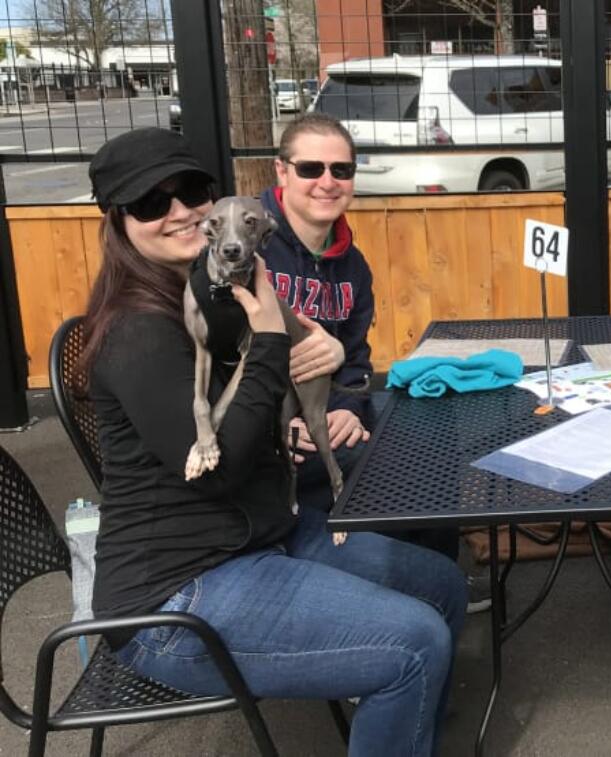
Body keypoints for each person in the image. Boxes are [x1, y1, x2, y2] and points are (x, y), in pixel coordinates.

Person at [81, 127, 468, 755]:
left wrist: (326, 354)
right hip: (179, 594)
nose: (179, 211)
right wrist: (271, 343)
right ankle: (401, 694)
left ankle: (407, 729)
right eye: (152, 203)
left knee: (441, 585)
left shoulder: (215, 293)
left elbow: (317, 364)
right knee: (413, 642)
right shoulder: (139, 331)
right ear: (119, 222)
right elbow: (218, 469)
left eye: (191, 192)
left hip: (259, 533)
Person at [260, 112, 491, 613]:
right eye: (310, 169)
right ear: (282, 173)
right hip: (264, 439)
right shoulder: (250, 247)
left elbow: (356, 355)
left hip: (327, 414)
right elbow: (219, 362)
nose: (327, 182)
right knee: (392, 458)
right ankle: (403, 587)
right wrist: (279, 427)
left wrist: (347, 406)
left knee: (432, 427)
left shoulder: (353, 264)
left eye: (341, 171)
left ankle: (437, 576)